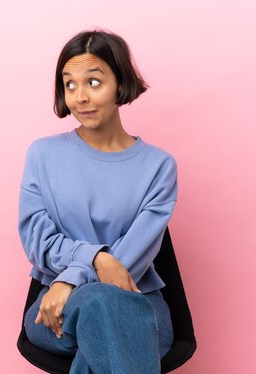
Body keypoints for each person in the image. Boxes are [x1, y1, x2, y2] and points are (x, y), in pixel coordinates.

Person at [18, 29, 178, 374]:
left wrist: (72, 276)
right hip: (55, 308)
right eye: (69, 84)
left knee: (103, 311)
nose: (80, 97)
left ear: (120, 84)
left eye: (93, 82)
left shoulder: (158, 167)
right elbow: (37, 241)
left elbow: (128, 261)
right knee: (100, 310)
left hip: (137, 302)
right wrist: (96, 259)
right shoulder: (43, 155)